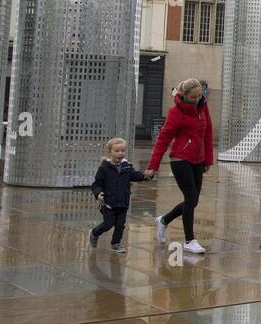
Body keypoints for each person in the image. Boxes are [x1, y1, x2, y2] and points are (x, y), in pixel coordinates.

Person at [145, 78, 213, 254]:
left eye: (200, 95)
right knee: (190, 197)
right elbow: (163, 139)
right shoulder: (176, 112)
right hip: (180, 159)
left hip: (198, 160)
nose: (197, 99)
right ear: (184, 95)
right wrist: (153, 166)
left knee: (194, 200)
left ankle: (164, 220)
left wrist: (208, 159)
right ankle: (190, 241)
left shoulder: (202, 107)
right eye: (193, 97)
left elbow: (208, 132)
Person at [90, 137, 153, 254]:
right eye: (117, 151)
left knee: (120, 225)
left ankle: (116, 244)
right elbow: (96, 184)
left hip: (123, 202)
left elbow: (136, 176)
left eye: (123, 151)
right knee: (108, 224)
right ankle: (95, 232)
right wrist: (98, 193)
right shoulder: (104, 168)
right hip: (108, 202)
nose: (120, 153)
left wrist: (146, 176)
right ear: (110, 153)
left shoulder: (126, 167)